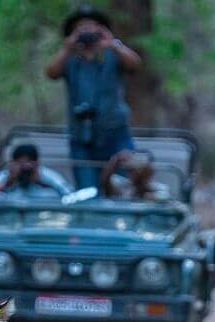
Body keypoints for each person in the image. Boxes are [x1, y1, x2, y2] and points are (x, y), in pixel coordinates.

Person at [44, 5, 142, 189]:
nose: (87, 31)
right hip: (81, 136)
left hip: (116, 135)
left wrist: (113, 44)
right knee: (87, 192)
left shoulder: (112, 54)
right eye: (81, 28)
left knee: (124, 187)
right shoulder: (70, 59)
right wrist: (68, 48)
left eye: (92, 27)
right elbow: (51, 73)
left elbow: (135, 65)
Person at [0, 144, 73, 199]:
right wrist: (9, 182)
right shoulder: (6, 176)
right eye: (20, 164)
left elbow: (69, 195)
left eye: (28, 164)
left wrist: (41, 181)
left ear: (37, 163)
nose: (24, 169)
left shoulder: (48, 176)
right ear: (13, 163)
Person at [100, 150, 171, 201]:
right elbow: (105, 183)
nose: (137, 174)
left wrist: (146, 194)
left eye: (142, 170)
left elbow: (165, 197)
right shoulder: (122, 185)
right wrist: (116, 160)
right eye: (133, 170)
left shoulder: (160, 189)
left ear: (150, 173)